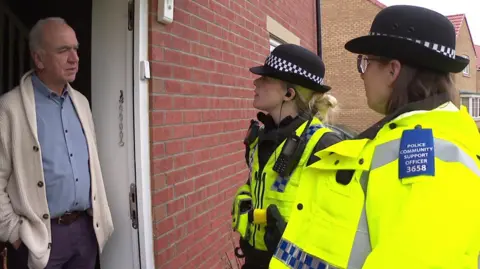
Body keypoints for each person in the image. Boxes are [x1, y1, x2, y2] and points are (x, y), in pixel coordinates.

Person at [269, 5, 480, 269]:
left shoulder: (434, 155)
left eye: (365, 62)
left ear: (393, 71)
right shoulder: (403, 140)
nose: (362, 73)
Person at [0, 17, 113, 269]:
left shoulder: (82, 103)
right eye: (63, 50)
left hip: (85, 232)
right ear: (39, 59)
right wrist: (15, 234)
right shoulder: (10, 108)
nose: (75, 58)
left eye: (76, 49)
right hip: (39, 238)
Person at [231, 44, 344, 269]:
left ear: (288, 93)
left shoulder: (323, 144)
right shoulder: (261, 137)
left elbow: (337, 227)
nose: (256, 82)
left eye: (266, 79)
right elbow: (254, 186)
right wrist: (245, 207)